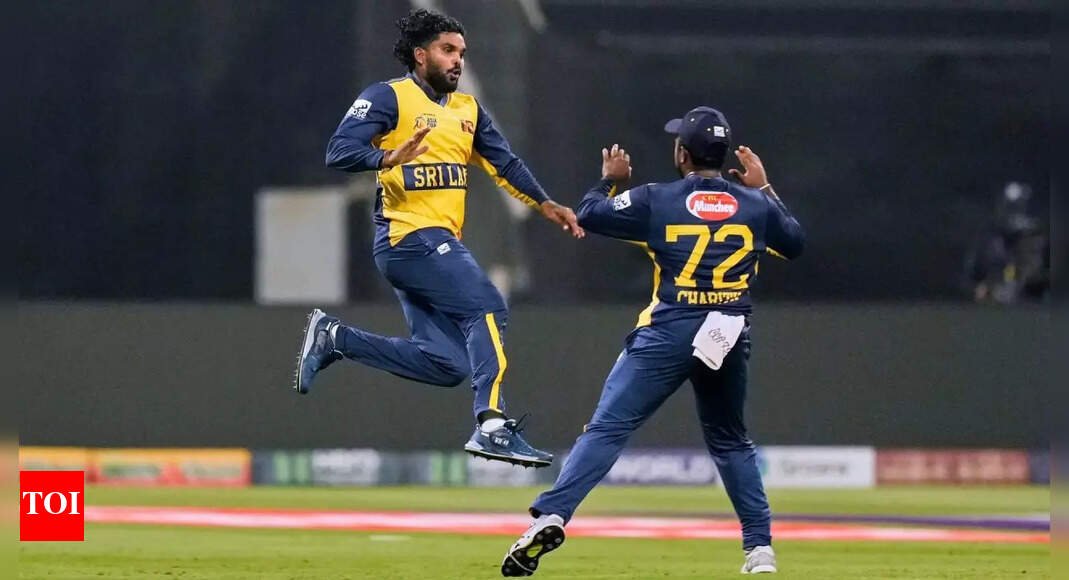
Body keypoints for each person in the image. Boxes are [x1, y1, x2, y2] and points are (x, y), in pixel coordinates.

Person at [500, 107, 804, 576]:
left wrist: (609, 180)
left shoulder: (657, 199)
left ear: (682, 154)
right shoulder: (755, 205)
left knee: (608, 428)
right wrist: (763, 188)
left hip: (670, 329)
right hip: (727, 330)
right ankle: (759, 549)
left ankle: (553, 514)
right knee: (731, 442)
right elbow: (795, 243)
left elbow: (589, 215)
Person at [294, 9, 584, 468]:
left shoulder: (468, 110)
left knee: (447, 365)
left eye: (462, 53)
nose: (457, 61)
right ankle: (492, 424)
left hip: (435, 244)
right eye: (447, 50)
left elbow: (505, 164)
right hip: (408, 237)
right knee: (488, 306)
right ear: (420, 54)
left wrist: (544, 203)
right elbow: (339, 150)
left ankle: (337, 338)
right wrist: (386, 157)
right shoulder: (389, 97)